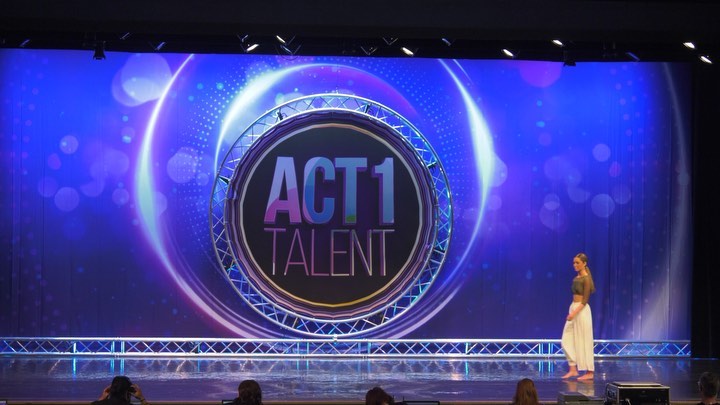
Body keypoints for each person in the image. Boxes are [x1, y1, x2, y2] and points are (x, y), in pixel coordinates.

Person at [561, 253, 596, 380]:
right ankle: (573, 369)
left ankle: (590, 372)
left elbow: (585, 301)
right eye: (574, 263)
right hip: (574, 307)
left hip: (581, 310)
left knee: (585, 340)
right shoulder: (577, 277)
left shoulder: (586, 279)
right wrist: (572, 310)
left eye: (577, 263)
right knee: (566, 339)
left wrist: (573, 313)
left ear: (584, 263)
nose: (575, 265)